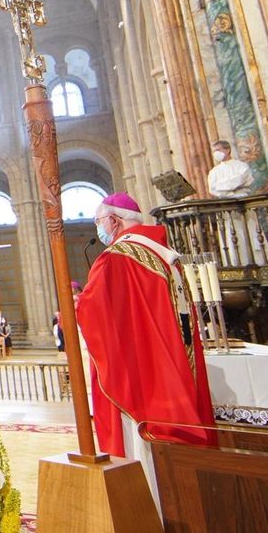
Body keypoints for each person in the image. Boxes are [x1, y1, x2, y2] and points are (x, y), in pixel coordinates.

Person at [76, 192, 216, 460]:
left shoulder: (118, 257)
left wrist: (79, 304)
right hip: (174, 357)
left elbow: (97, 312)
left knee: (143, 454)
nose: (98, 228)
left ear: (114, 220)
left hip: (141, 371)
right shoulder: (163, 253)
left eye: (98, 221)